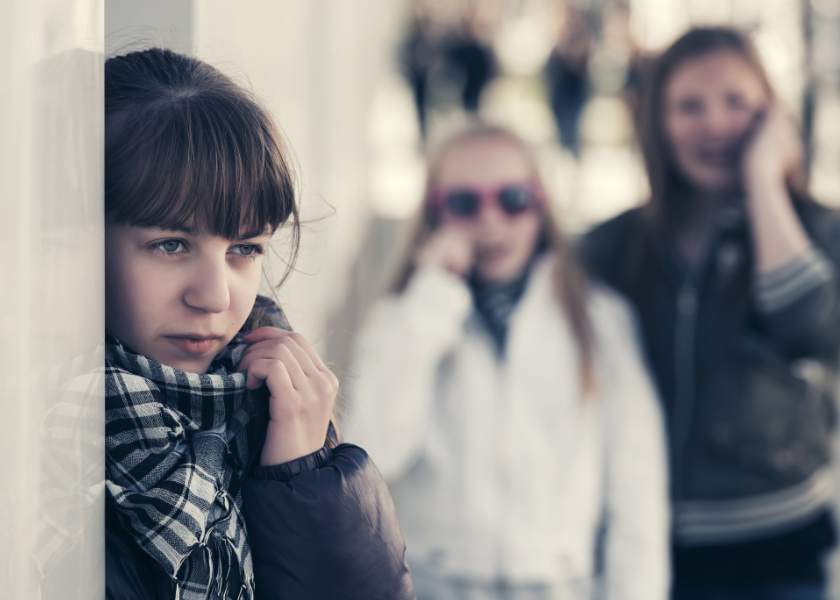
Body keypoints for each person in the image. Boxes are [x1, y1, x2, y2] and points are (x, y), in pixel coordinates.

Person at [103, 48, 416, 600]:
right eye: (171, 244)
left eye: (245, 248)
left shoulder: (264, 404)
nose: (216, 296)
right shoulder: (53, 438)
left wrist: (301, 475)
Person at [347, 124, 669, 600]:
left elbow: (638, 499)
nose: (491, 221)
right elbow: (373, 452)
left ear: (541, 204)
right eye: (464, 203)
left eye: (513, 198)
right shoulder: (405, 318)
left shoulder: (602, 322)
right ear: (435, 211)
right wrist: (433, 296)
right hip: (433, 586)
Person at [579, 27, 840, 600]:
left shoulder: (819, 230)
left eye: (736, 102)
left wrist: (764, 183)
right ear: (656, 122)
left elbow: (809, 328)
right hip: (646, 551)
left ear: (770, 114)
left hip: (778, 555)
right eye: (689, 106)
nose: (716, 124)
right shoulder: (612, 247)